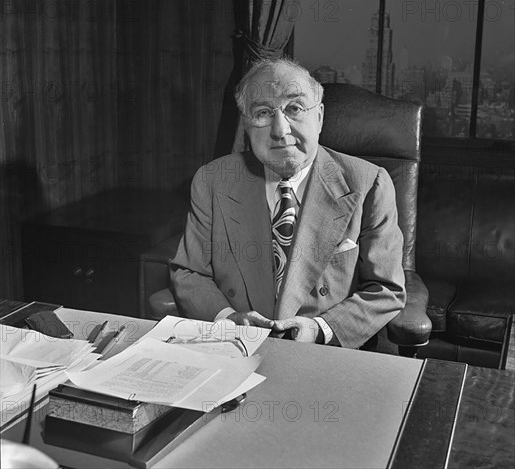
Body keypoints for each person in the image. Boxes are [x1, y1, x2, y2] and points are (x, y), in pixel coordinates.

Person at [171, 57, 406, 348]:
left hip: (322, 354)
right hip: (234, 348)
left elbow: (386, 290)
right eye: (263, 113)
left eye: (294, 108)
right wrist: (228, 317)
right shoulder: (213, 180)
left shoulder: (369, 183)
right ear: (247, 124)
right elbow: (190, 271)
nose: (280, 130)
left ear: (319, 117)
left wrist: (321, 328)